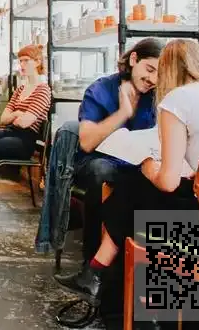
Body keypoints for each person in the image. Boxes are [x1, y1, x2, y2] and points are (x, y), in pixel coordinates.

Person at [55, 39, 199, 307]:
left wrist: (149, 167)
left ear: (168, 71)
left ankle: (104, 278)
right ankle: (102, 277)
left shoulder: (178, 99)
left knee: (132, 189)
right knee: (136, 193)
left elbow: (168, 182)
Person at [35, 38, 163, 257]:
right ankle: (92, 262)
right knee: (103, 171)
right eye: (149, 69)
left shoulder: (156, 96)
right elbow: (87, 142)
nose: (152, 79)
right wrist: (123, 113)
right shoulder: (101, 89)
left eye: (158, 74)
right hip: (95, 162)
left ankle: (139, 259)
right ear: (134, 59)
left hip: (138, 164)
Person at [0, 44, 51, 163]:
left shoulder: (43, 90)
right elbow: (3, 119)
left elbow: (24, 123)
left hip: (25, 140)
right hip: (9, 131)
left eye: (26, 61)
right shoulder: (20, 89)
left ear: (37, 62)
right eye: (20, 61)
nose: (22, 65)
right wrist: (17, 113)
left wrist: (13, 116)